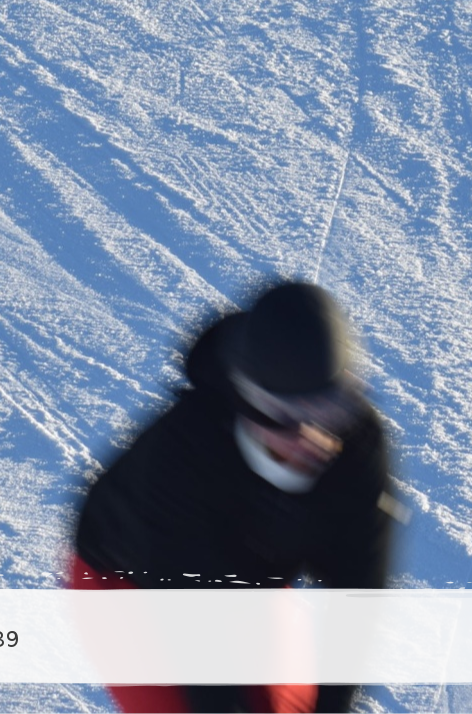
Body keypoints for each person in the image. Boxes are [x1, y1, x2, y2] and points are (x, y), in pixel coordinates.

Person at [72, 281, 399, 713]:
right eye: (285, 416)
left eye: (329, 409)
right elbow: (200, 649)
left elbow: (355, 600)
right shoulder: (183, 459)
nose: (314, 438)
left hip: (248, 575)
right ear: (247, 402)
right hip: (130, 582)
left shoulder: (357, 444)